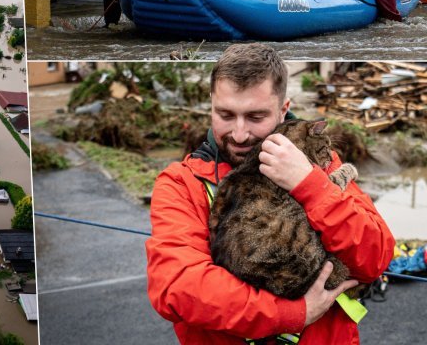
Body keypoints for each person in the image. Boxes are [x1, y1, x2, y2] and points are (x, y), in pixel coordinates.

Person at [146, 43, 394, 344]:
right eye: (225, 114)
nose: (239, 134)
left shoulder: (318, 165)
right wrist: (293, 314)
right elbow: (178, 288)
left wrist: (310, 185)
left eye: (255, 117)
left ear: (283, 110)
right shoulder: (181, 183)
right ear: (211, 105)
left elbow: (376, 258)